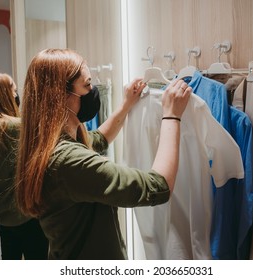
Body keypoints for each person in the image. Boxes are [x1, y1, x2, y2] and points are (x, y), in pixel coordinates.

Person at [15, 48, 191, 260]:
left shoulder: (48, 146)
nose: (93, 90)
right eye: (88, 84)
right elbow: (158, 186)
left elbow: (99, 138)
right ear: (61, 96)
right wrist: (172, 116)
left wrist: (126, 104)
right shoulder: (70, 162)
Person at [0, 72, 49, 260]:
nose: (17, 96)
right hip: (26, 212)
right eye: (14, 91)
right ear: (5, 95)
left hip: (3, 213)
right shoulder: (13, 127)